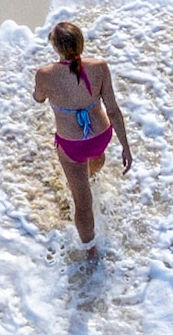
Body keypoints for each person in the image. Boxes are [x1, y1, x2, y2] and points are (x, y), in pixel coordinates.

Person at [32, 16, 130, 245]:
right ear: (81, 43)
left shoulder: (45, 74)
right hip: (100, 136)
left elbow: (39, 98)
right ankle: (92, 177)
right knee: (95, 161)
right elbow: (113, 110)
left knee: (82, 203)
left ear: (56, 47)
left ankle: (90, 250)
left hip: (72, 143)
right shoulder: (100, 67)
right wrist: (125, 147)